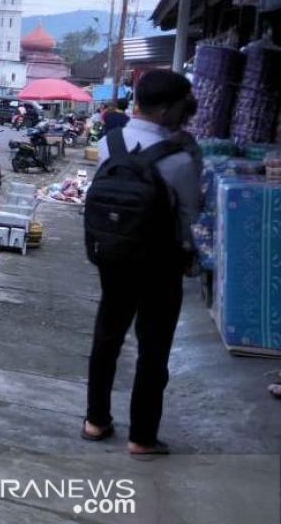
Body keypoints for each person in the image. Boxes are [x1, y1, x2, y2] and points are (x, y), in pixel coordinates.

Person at [83, 70, 201, 458]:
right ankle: (142, 437)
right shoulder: (181, 158)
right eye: (185, 105)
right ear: (168, 108)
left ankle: (95, 420)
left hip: (112, 254)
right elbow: (189, 214)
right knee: (153, 347)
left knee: (107, 336)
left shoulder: (109, 142)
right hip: (159, 263)